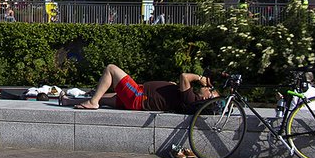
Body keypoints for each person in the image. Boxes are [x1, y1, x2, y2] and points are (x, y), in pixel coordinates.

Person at [73, 63, 217, 113]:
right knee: (101, 98)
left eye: (210, 91)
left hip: (138, 96)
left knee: (111, 69)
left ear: (206, 98)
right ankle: (70, 101)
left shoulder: (191, 99)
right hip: (138, 99)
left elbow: (184, 76)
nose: (207, 88)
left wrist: (200, 78)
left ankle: (93, 103)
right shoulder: (190, 98)